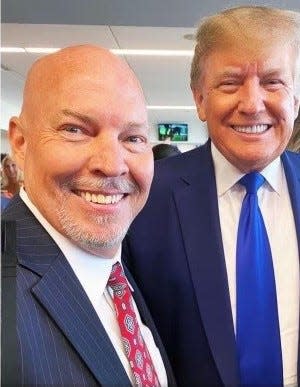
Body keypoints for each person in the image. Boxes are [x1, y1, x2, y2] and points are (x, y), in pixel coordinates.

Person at [123, 6, 300, 387]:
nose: (252, 104)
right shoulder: (145, 199)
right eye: (230, 83)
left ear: (296, 99)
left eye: (273, 82)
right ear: (200, 99)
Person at [2, 44, 176, 386]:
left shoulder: (117, 271)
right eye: (75, 130)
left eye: (133, 137)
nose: (112, 164)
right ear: (21, 143)